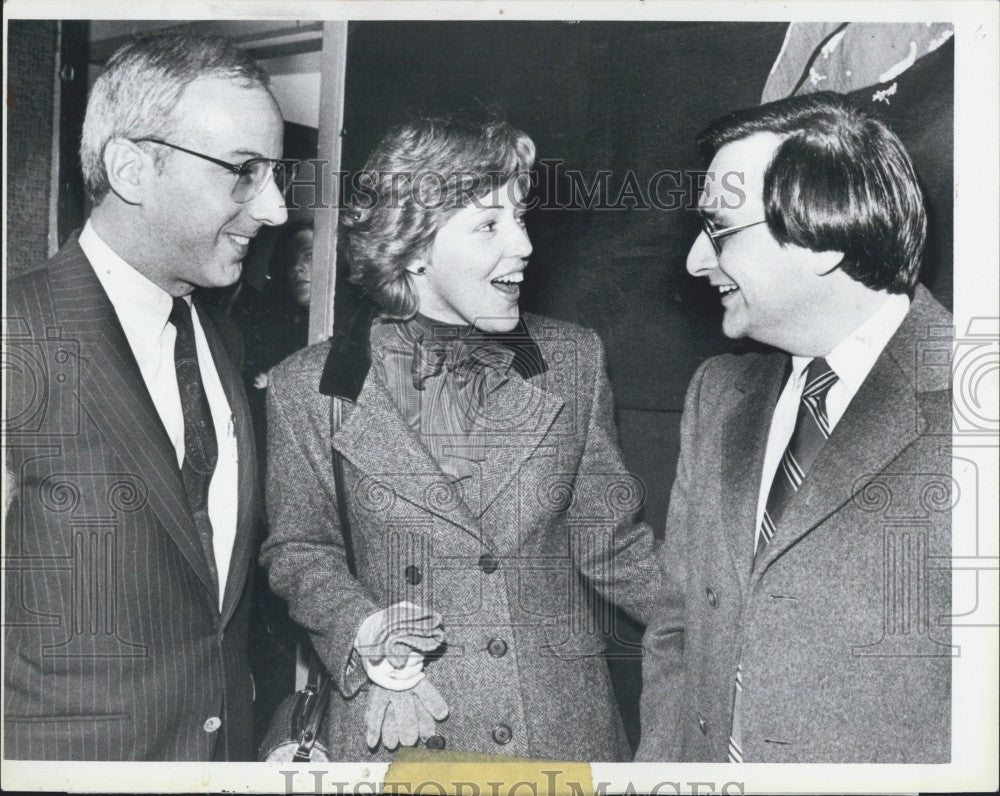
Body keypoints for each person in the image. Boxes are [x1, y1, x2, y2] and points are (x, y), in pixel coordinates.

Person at [260, 116, 661, 761]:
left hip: (555, 727)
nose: (525, 245)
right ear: (413, 246)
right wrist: (365, 631)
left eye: (521, 218)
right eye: (489, 225)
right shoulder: (310, 388)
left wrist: (723, 626)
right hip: (402, 723)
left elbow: (612, 544)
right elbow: (300, 550)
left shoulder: (574, 361)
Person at [637, 92, 952, 763]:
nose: (697, 260)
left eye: (720, 230)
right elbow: (676, 627)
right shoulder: (717, 396)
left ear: (821, 235)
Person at [4, 31, 289, 760]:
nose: (276, 209)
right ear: (133, 168)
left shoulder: (219, 338)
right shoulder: (15, 334)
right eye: (244, 172)